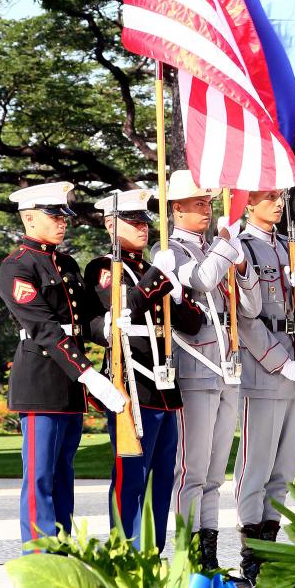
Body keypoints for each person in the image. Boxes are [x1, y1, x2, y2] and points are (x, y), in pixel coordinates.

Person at [0, 181, 127, 547]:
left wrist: (112, 326)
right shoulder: (17, 268)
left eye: (63, 215)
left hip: (70, 383)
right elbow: (45, 329)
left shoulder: (65, 263)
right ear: (29, 218)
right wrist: (89, 374)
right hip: (40, 381)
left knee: (62, 474)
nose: (62, 222)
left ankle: (63, 547)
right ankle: (40, 556)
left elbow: (85, 321)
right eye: (54, 215)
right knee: (40, 476)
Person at [83, 186, 204, 550]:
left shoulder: (153, 268)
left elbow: (191, 324)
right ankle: (126, 547)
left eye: (144, 221)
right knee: (131, 473)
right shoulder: (105, 269)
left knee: (162, 478)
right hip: (132, 380)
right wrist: (154, 279)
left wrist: (178, 292)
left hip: (165, 387)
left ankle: (153, 550)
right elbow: (121, 313)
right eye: (132, 221)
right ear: (110, 224)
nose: (143, 228)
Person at [167, 170, 262, 569]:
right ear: (176, 209)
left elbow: (251, 308)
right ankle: (189, 559)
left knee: (213, 475)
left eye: (208, 203)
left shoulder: (214, 249)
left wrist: (240, 266)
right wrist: (226, 247)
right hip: (195, 367)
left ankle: (209, 559)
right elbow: (203, 281)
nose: (206, 210)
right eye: (198, 204)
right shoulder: (171, 251)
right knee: (191, 470)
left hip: (226, 371)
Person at [233, 188, 295, 585]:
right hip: (265, 369)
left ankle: (270, 554)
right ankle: (251, 557)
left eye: (279, 196)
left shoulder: (288, 248)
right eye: (266, 196)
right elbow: (245, 318)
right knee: (255, 467)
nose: (277, 202)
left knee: (283, 469)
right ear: (246, 203)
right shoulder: (242, 249)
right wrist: (282, 363)